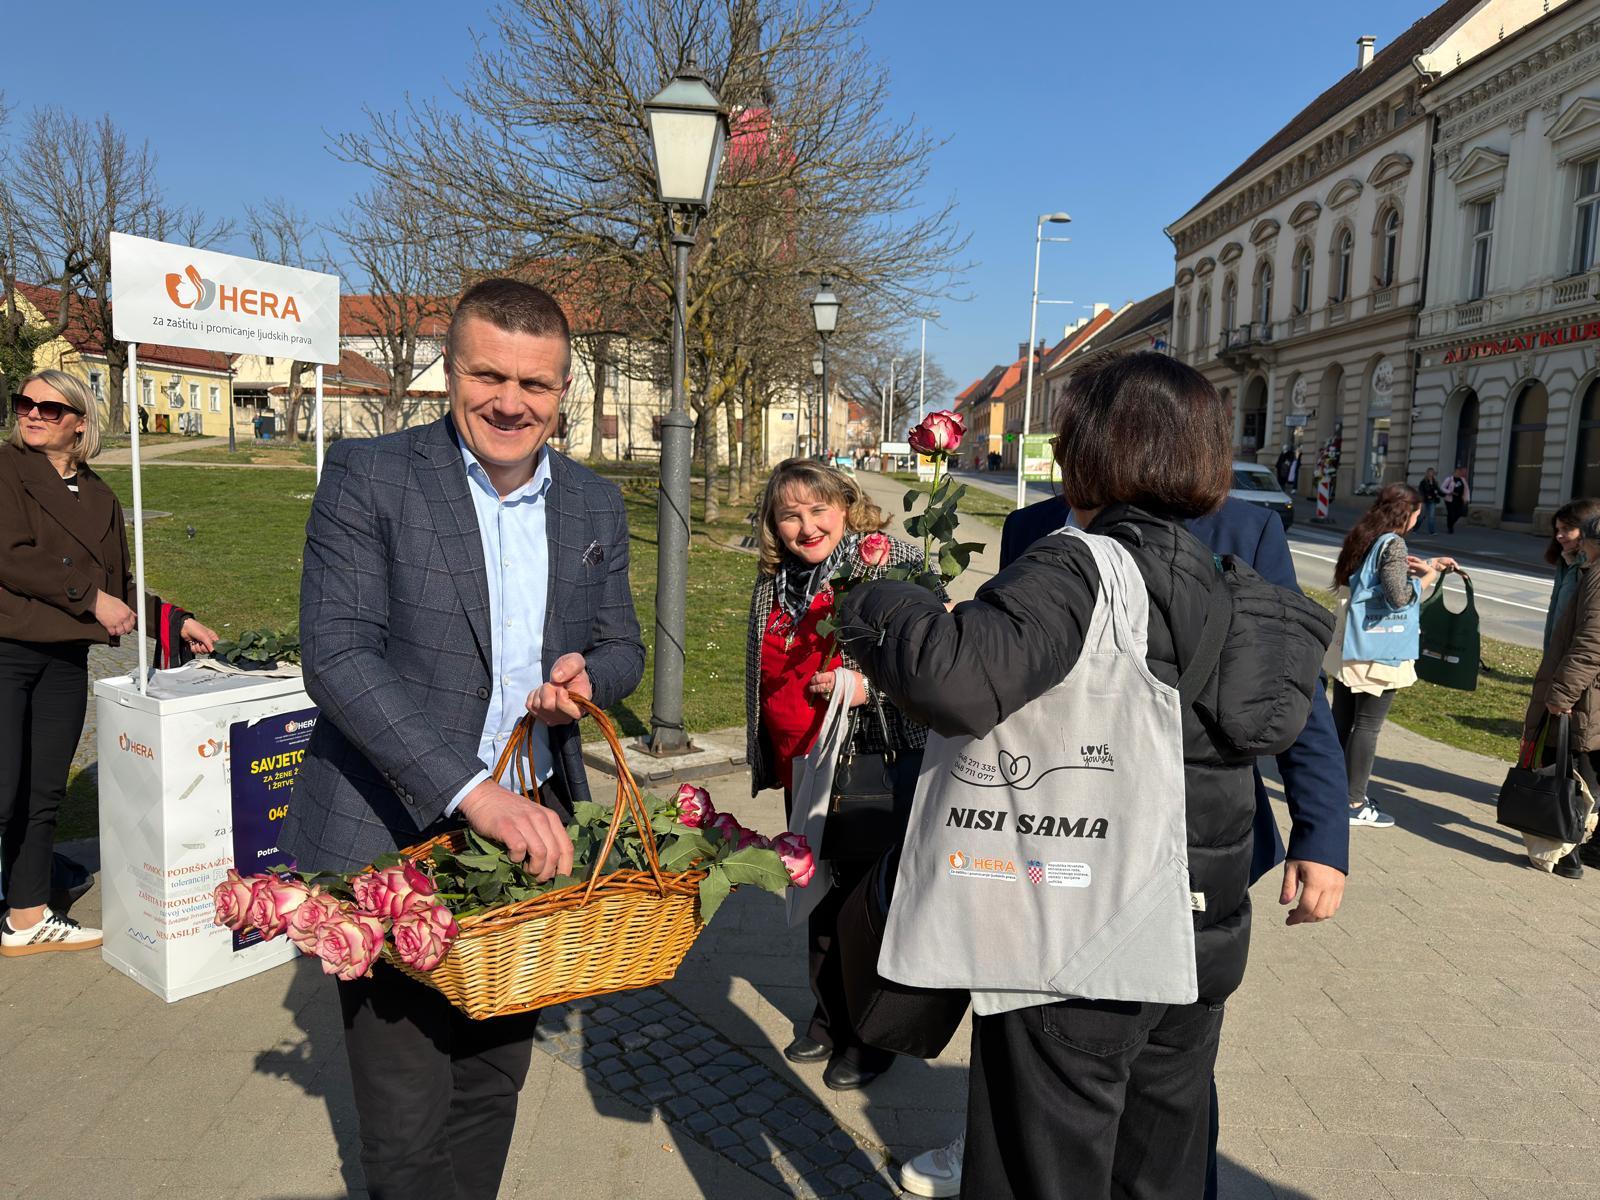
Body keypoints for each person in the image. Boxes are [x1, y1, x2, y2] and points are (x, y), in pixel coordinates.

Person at [839, 352, 1317, 1200]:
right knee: (1160, 1174)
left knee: (1041, 1173)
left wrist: (881, 599)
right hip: (1196, 936)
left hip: (1078, 932)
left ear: (1090, 452)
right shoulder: (1230, 585)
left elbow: (953, 678)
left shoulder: (1084, 564)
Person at [281, 279, 645, 1200]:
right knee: (407, 1121)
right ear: (449, 371)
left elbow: (624, 646)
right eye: (489, 375)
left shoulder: (594, 503)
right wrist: (472, 792)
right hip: (388, 830)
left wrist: (589, 681)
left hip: (526, 838)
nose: (511, 403)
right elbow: (338, 656)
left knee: (491, 1083)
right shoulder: (372, 475)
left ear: (564, 389)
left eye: (536, 384)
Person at [899, 484, 1350, 1200]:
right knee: (1035, 1054)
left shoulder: (1246, 529)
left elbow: (1292, 689)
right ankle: (989, 1146)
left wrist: (1322, 833)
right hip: (1059, 841)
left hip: (1194, 847)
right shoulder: (1033, 526)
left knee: (1171, 1093)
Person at [0, 369, 217, 955]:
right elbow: (11, 556)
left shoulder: (98, 494)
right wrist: (90, 599)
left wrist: (172, 620)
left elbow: (117, 584)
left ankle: (26, 919)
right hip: (6, 650)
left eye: (50, 408)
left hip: (64, 658)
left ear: (80, 422)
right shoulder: (6, 469)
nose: (33, 414)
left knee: (42, 794)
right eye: (25, 403)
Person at [745, 457, 940, 1092]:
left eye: (818, 509)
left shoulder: (891, 561)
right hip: (801, 765)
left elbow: (938, 661)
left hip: (868, 762)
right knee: (817, 891)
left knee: (865, 903)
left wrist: (867, 687)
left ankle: (872, 1035)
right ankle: (830, 1017)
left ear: (847, 507)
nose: (806, 527)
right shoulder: (775, 581)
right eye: (789, 515)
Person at [1328, 484, 1454, 831]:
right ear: (1409, 514)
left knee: (1342, 720)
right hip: (1378, 648)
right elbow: (1398, 597)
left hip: (1351, 644)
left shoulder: (1364, 535)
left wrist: (1426, 565)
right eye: (1417, 514)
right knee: (1367, 726)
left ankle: (1330, 790)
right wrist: (1428, 578)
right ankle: (1354, 802)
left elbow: (1374, 581)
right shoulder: (1394, 543)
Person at [1526, 511, 1600, 877]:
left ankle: (1567, 852)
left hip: (1586, 693)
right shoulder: (1589, 570)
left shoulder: (1598, 576)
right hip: (1590, 690)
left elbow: (1591, 642)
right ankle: (1586, 846)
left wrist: (1561, 694)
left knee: (1575, 773)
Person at [1545, 500, 1600, 655]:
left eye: (1567, 529)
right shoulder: (1566, 562)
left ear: (1588, 529)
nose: (1559, 536)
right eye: (1557, 529)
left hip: (1577, 658)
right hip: (1559, 653)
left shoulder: (1592, 568)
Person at [1442, 465, 1470, 534]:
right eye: (1457, 472)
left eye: (1459, 472)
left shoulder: (1462, 480)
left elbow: (1466, 490)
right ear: (1454, 472)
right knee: (1451, 513)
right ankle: (1450, 528)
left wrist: (1466, 499)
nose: (1458, 473)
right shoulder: (1449, 479)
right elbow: (1442, 487)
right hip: (1450, 499)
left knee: (1459, 513)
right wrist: (1449, 492)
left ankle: (1451, 524)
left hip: (1459, 499)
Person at [1419, 467, 1443, 536]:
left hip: (1432, 501)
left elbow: (1438, 490)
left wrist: (1444, 494)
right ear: (1427, 473)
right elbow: (1421, 491)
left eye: (1432, 473)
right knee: (1422, 516)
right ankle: (1415, 528)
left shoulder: (1435, 482)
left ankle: (1432, 531)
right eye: (1429, 472)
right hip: (1425, 500)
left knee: (1431, 516)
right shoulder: (1423, 482)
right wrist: (1426, 496)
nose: (1431, 474)